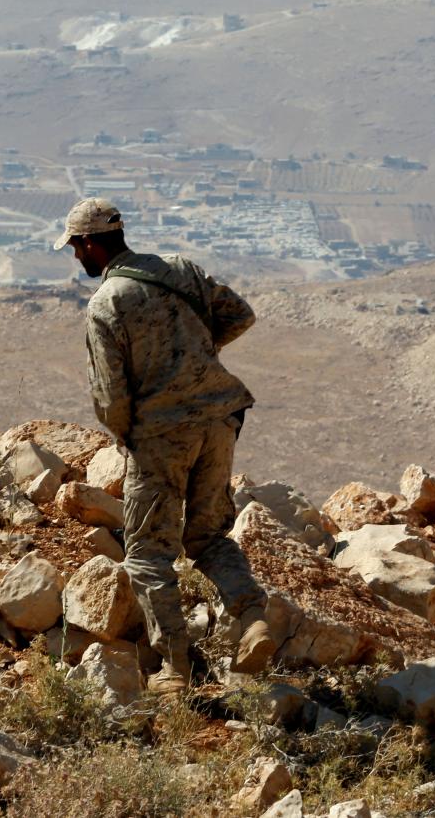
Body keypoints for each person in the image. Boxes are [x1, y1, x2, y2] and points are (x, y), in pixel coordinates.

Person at [56, 197, 274, 694]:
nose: (75, 257)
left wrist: (129, 433)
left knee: (148, 553)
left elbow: (110, 397)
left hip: (161, 435)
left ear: (91, 243)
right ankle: (253, 615)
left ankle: (174, 668)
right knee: (208, 537)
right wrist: (196, 358)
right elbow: (239, 314)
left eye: (75, 247)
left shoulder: (106, 304)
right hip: (220, 418)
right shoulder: (180, 270)